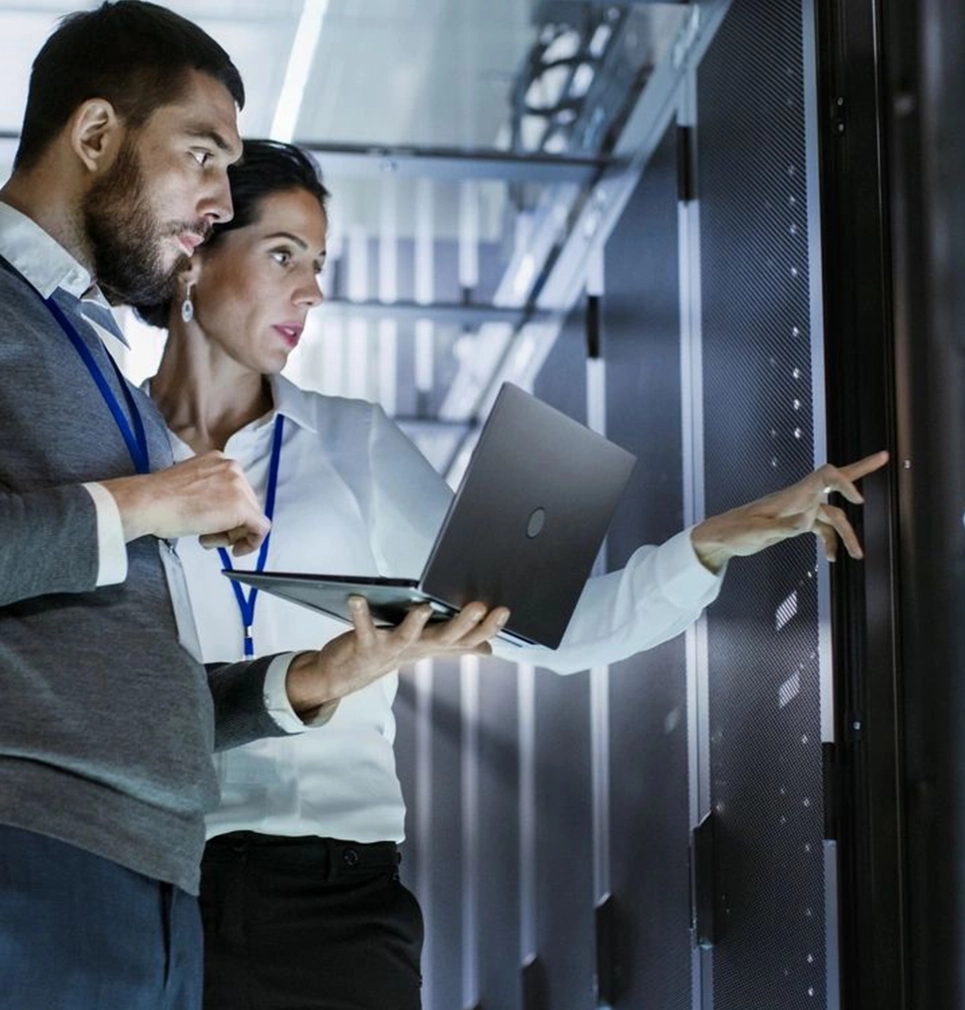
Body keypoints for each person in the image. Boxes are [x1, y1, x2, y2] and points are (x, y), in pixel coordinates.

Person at [139, 138, 889, 1010]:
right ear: (196, 254)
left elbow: (547, 635)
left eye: (319, 263)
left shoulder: (357, 444)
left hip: (334, 903)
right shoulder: (110, 455)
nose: (313, 290)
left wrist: (711, 543)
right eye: (282, 255)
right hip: (151, 882)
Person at [0, 6, 505, 1010]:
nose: (215, 200)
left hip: (152, 876)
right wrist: (149, 500)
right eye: (201, 155)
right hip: (37, 852)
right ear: (95, 135)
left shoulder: (84, 345)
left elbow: (128, 671)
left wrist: (313, 679)